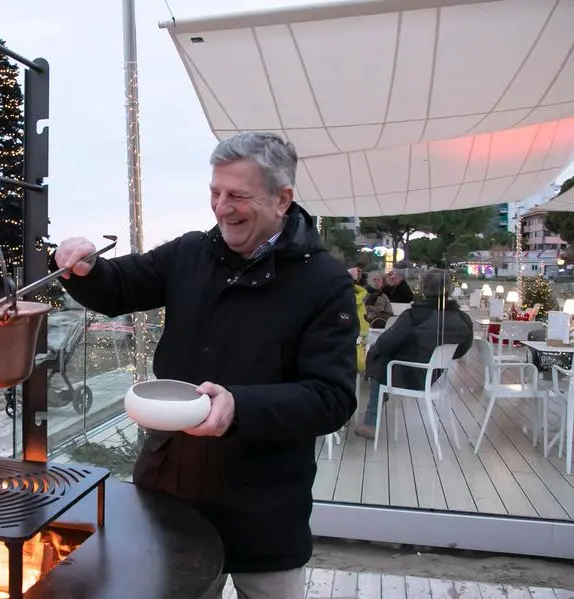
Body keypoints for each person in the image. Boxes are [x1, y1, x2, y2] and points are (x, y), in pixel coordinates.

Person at [54, 132, 358, 598]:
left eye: (237, 195)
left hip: (265, 504)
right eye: (215, 193)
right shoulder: (190, 253)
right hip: (172, 489)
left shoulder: (324, 281)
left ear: (283, 199)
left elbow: (331, 398)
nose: (221, 207)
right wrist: (85, 265)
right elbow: (117, 287)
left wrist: (239, 406)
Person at [355, 268, 474, 439]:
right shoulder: (463, 319)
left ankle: (371, 422)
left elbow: (385, 343)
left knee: (380, 358)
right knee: (384, 360)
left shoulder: (413, 316)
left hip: (407, 375)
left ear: (423, 289)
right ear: (449, 289)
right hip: (434, 377)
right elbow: (459, 351)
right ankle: (377, 406)